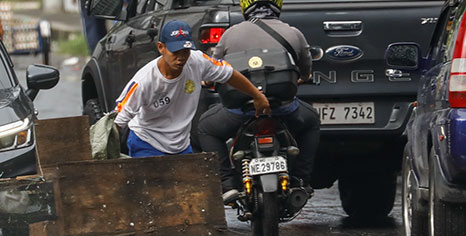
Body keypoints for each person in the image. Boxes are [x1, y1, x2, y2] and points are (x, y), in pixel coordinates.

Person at [197, 0, 320, 197]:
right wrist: (304, 78)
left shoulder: (230, 34)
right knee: (312, 121)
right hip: (283, 109)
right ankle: (300, 180)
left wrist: (207, 82)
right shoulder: (293, 33)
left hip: (239, 110)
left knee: (206, 127)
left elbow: (215, 67)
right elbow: (305, 69)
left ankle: (227, 185)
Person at [114, 20, 270, 158]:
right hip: (147, 143)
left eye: (185, 52)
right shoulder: (144, 81)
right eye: (175, 52)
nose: (181, 58)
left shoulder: (197, 60)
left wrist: (257, 95)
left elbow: (229, 74)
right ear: (161, 47)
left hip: (181, 146)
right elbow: (119, 119)